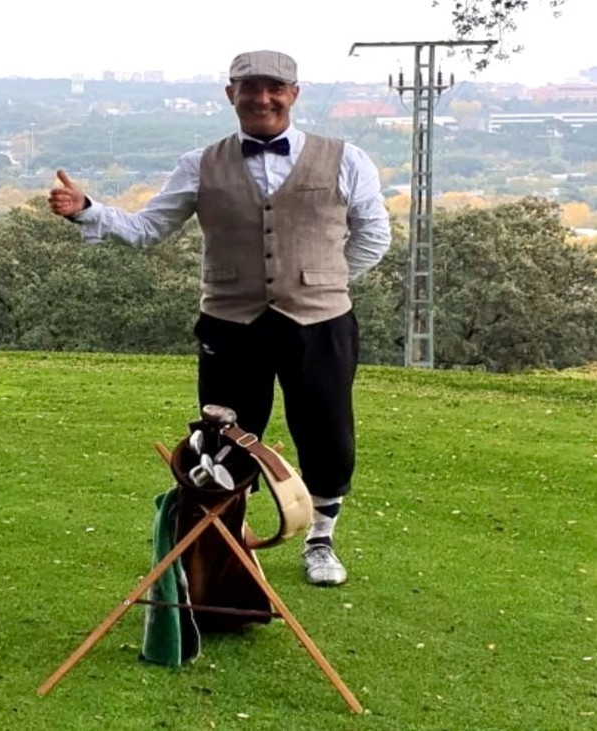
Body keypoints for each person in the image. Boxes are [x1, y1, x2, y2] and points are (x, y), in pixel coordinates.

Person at [48, 50, 391, 586]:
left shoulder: (347, 159)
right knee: (224, 436)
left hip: (321, 322)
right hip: (231, 324)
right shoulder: (199, 163)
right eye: (249, 88)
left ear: (294, 94)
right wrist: (87, 209)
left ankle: (320, 540)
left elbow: (374, 236)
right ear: (230, 94)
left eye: (274, 88)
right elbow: (147, 230)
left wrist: (323, 279)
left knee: (326, 432)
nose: (262, 99)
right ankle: (226, 544)